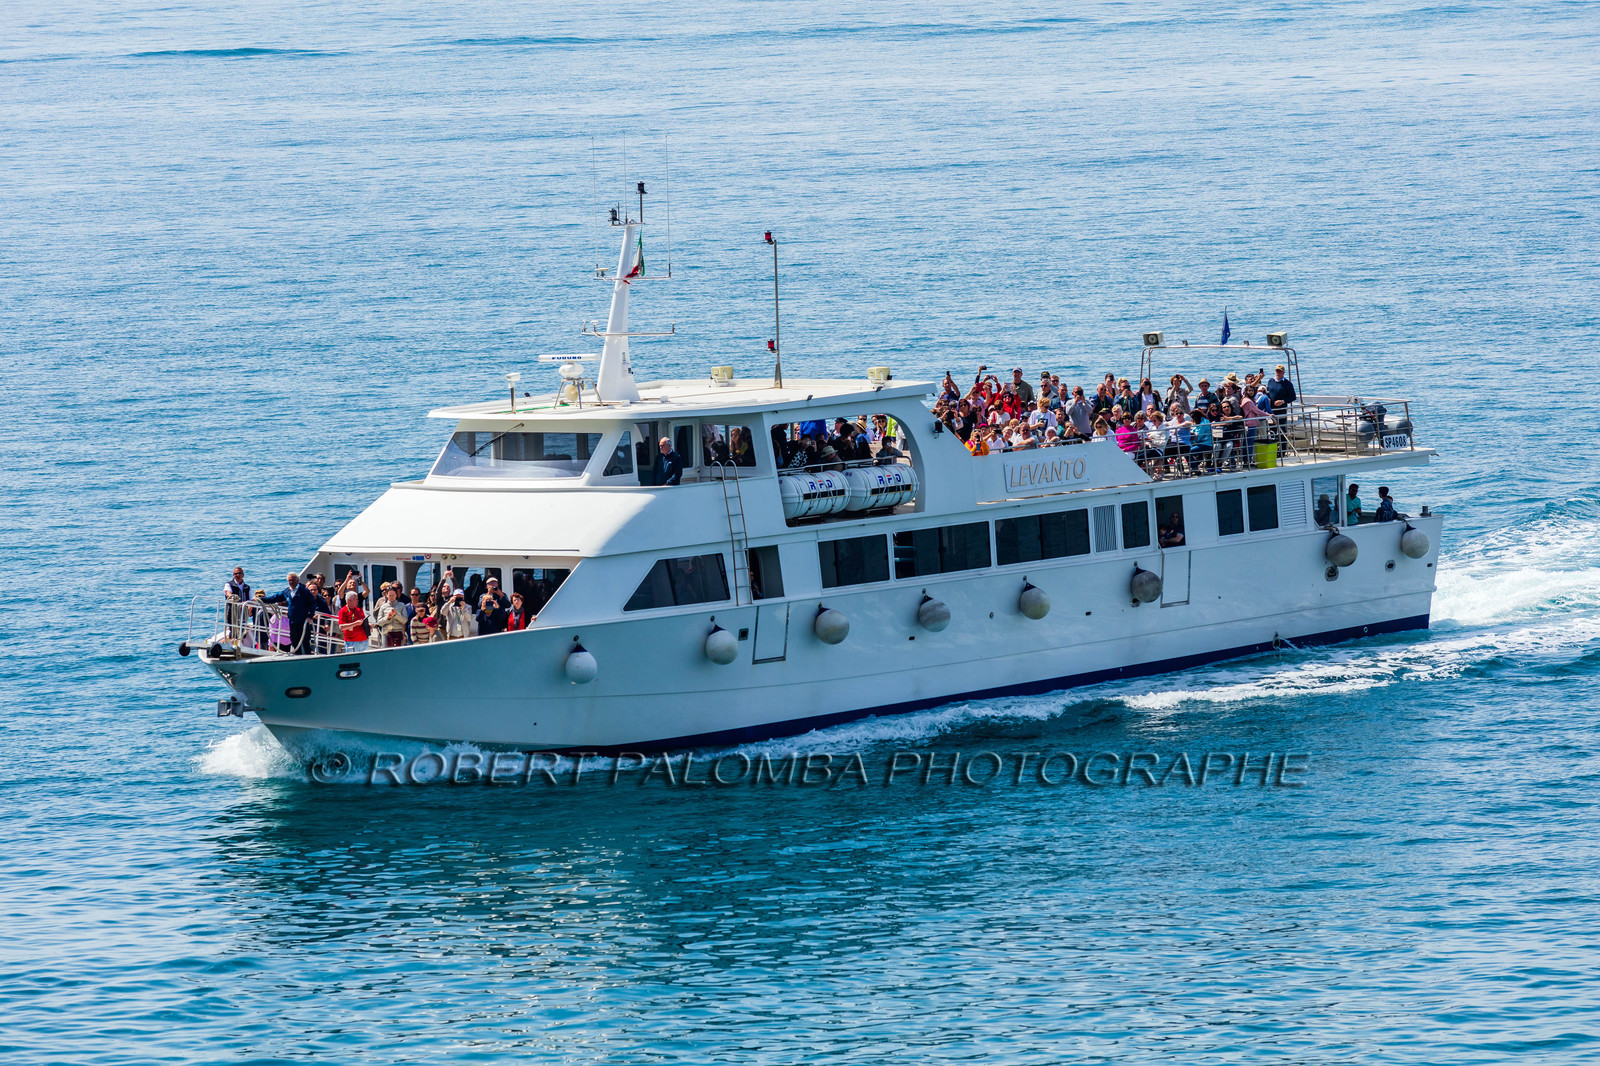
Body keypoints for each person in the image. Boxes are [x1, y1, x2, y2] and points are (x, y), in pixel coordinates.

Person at [263, 571, 316, 654]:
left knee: (305, 642)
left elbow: (312, 603)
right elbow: (275, 597)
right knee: (295, 641)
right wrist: (262, 599)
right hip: (292, 621)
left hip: (302, 621)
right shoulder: (287, 592)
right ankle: (298, 658)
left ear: (297, 580)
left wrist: (310, 616)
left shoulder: (304, 591)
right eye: (289, 580)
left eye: (293, 580)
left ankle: (307, 657)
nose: (291, 582)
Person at [1265, 365, 1297, 440]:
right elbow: (1268, 392)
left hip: (1281, 410)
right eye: (1277, 371)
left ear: (1283, 373)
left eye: (1280, 371)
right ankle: (1274, 448)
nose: (1278, 373)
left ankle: (1283, 449)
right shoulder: (1271, 381)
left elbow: (1293, 397)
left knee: (1282, 429)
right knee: (1272, 429)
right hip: (1272, 410)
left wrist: (1283, 401)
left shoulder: (1287, 383)